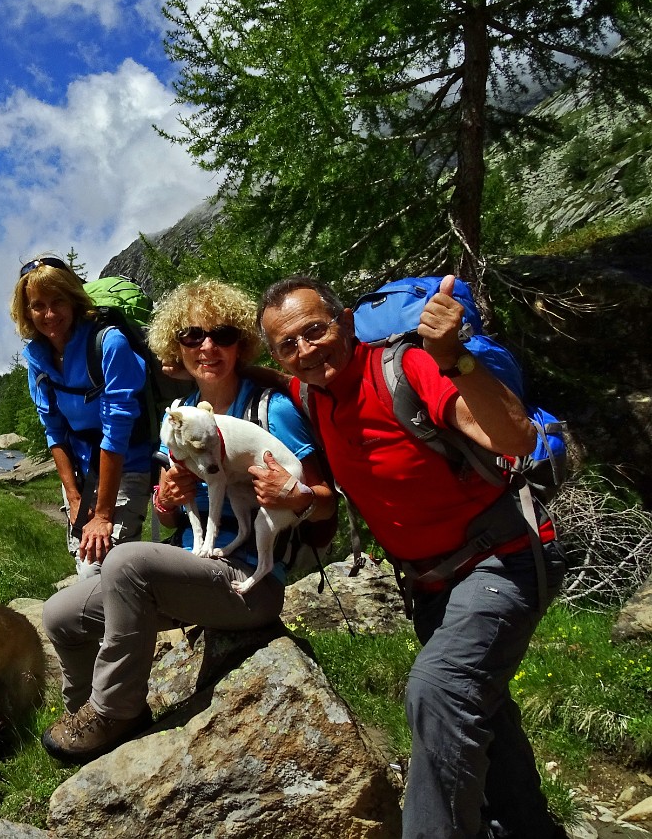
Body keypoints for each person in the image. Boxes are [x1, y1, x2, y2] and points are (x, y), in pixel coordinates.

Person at [257, 274, 567, 839]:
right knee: (482, 715)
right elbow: (272, 377)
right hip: (428, 586)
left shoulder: (408, 367)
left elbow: (517, 439)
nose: (305, 350)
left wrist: (454, 357)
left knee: (439, 688)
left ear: (346, 322)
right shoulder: (310, 395)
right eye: (287, 344)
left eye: (315, 330)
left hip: (502, 559)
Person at [39, 279, 334, 763]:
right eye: (192, 336)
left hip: (249, 583)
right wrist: (166, 502)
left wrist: (295, 494)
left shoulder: (270, 409)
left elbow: (326, 502)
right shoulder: (177, 417)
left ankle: (115, 711)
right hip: (192, 567)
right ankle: (84, 714)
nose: (208, 346)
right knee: (60, 616)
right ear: (176, 346)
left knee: (127, 563)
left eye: (221, 333)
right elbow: (167, 508)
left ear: (241, 341)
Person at [12, 256, 153, 578]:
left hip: (125, 465)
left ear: (74, 300)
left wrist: (102, 514)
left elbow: (116, 431)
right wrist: (74, 497)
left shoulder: (109, 343)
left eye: (58, 301)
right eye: (38, 305)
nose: (49, 314)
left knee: (100, 568)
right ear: (26, 312)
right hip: (81, 472)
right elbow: (54, 429)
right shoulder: (37, 355)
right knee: (86, 562)